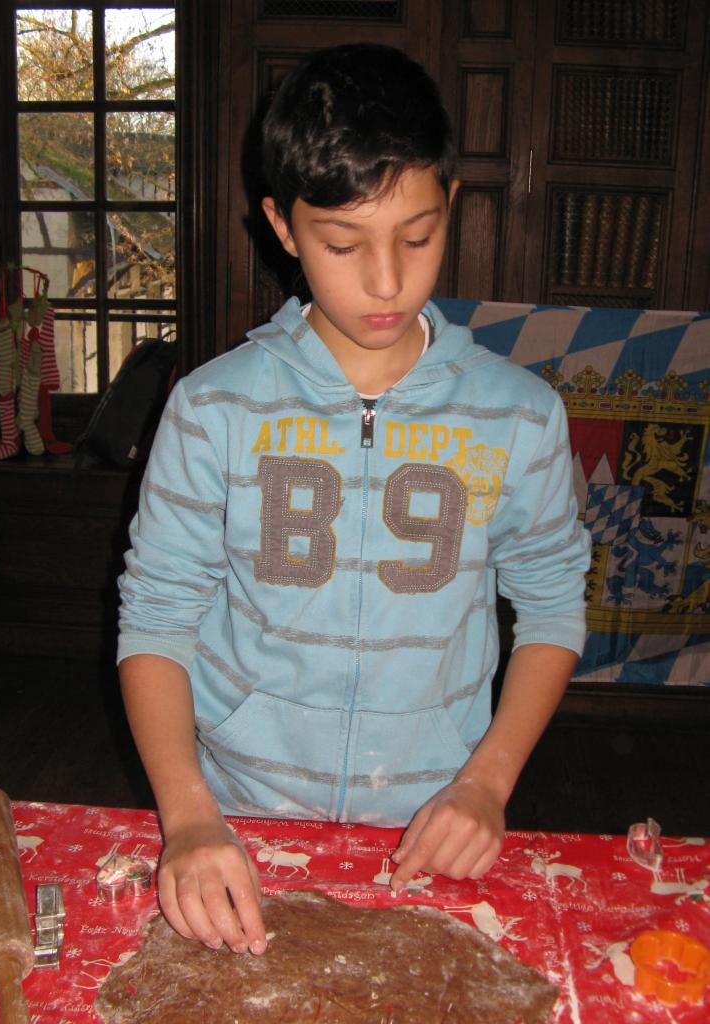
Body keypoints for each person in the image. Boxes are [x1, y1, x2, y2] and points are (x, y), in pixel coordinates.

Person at [117, 42, 590, 959]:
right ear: (282, 228)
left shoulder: (520, 415)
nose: (385, 281)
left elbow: (551, 606)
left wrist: (486, 785)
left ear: (449, 206)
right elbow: (157, 619)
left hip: (432, 822)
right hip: (237, 819)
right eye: (341, 243)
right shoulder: (212, 406)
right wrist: (187, 816)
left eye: (416, 237)